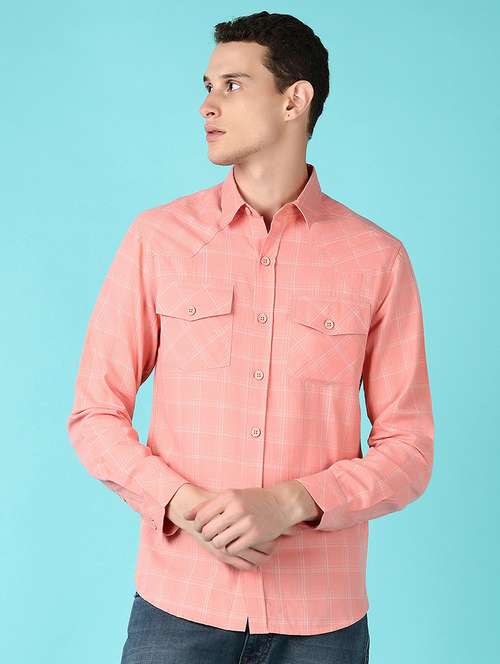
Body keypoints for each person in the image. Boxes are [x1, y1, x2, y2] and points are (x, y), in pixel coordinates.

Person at [67, 10, 434, 664]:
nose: (207, 105)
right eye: (207, 87)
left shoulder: (377, 259)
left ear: (295, 99)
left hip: (321, 618)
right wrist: (182, 505)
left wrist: (292, 502)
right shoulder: (158, 240)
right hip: (179, 605)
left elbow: (409, 450)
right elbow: (95, 414)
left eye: (232, 85)